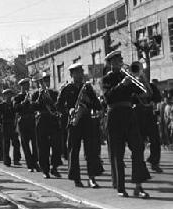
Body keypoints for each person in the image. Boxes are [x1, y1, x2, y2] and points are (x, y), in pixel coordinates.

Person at [102, 50, 150, 198]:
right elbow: (108, 98)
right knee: (118, 153)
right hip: (114, 116)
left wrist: (141, 77)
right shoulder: (106, 79)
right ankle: (121, 187)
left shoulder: (128, 77)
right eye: (116, 60)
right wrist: (122, 84)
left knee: (138, 148)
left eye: (120, 59)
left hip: (129, 115)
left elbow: (145, 94)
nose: (120, 62)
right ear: (110, 63)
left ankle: (138, 186)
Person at [56, 63, 102, 187]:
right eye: (77, 73)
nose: (80, 75)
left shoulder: (87, 88)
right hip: (74, 122)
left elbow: (98, 105)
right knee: (73, 150)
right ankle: (76, 178)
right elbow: (58, 106)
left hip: (87, 121)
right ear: (71, 75)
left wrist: (89, 101)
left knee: (90, 151)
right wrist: (69, 110)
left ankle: (91, 178)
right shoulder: (66, 88)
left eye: (81, 72)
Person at [31, 73, 62, 179]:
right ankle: (45, 169)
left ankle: (54, 167)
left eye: (47, 81)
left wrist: (49, 98)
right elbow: (34, 107)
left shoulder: (54, 93)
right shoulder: (35, 94)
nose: (45, 83)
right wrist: (40, 96)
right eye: (43, 81)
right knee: (43, 147)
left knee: (56, 145)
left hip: (53, 120)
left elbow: (58, 105)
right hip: (41, 120)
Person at [14, 78, 40, 172]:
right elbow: (15, 108)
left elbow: (37, 106)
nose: (27, 87)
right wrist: (23, 103)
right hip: (23, 121)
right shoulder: (17, 97)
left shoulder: (32, 96)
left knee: (35, 143)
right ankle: (30, 165)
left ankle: (35, 162)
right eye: (25, 85)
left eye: (28, 85)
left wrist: (34, 103)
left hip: (32, 121)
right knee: (25, 144)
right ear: (21, 86)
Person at [0, 89, 21, 167]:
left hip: (13, 125)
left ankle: (16, 159)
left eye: (10, 95)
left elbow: (17, 113)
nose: (9, 96)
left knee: (16, 143)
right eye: (7, 95)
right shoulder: (1, 105)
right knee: (6, 144)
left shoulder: (14, 104)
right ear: (4, 96)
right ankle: (7, 160)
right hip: (5, 125)